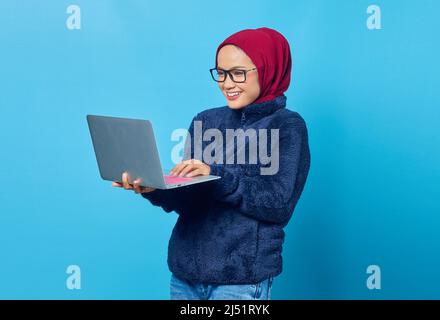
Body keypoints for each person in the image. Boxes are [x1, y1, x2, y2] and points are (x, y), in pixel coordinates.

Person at [112, 27, 311, 300]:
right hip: (185, 277)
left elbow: (278, 205)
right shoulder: (205, 120)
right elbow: (188, 200)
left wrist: (217, 174)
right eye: (221, 73)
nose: (227, 84)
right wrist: (153, 188)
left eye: (238, 73)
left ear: (267, 69)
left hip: (240, 280)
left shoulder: (287, 126)